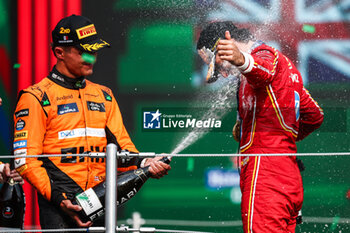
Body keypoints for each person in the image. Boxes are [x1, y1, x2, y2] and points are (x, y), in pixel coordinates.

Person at [13, 15, 171, 230]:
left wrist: (146, 164)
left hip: (103, 198)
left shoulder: (104, 95)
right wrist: (61, 200)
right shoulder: (35, 97)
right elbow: (25, 160)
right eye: (83, 52)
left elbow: (123, 149)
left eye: (94, 52)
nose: (91, 58)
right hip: (60, 203)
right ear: (59, 52)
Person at [197, 21, 324, 233]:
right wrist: (278, 139)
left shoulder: (265, 55)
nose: (224, 74)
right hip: (287, 176)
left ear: (226, 42)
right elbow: (314, 116)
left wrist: (240, 59)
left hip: (265, 178)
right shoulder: (288, 68)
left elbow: (261, 70)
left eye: (217, 64)